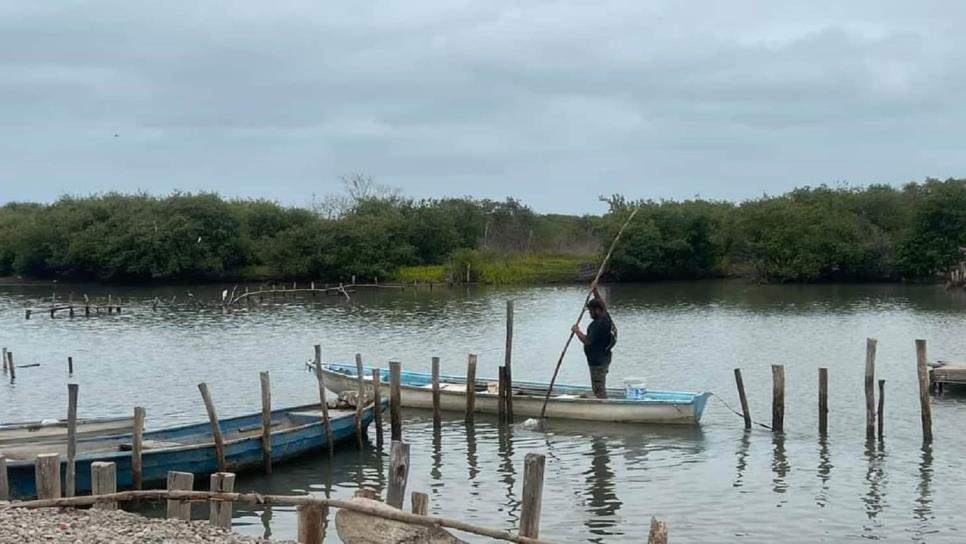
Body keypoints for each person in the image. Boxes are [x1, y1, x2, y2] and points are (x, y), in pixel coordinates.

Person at [571, 282, 617, 399]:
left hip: (598, 362)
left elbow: (587, 341)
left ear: (597, 310)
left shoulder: (599, 324)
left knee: (598, 389)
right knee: (599, 385)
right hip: (604, 358)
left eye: (591, 311)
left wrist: (577, 331)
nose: (590, 314)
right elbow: (601, 303)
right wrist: (595, 291)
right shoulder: (605, 315)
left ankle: (603, 406)